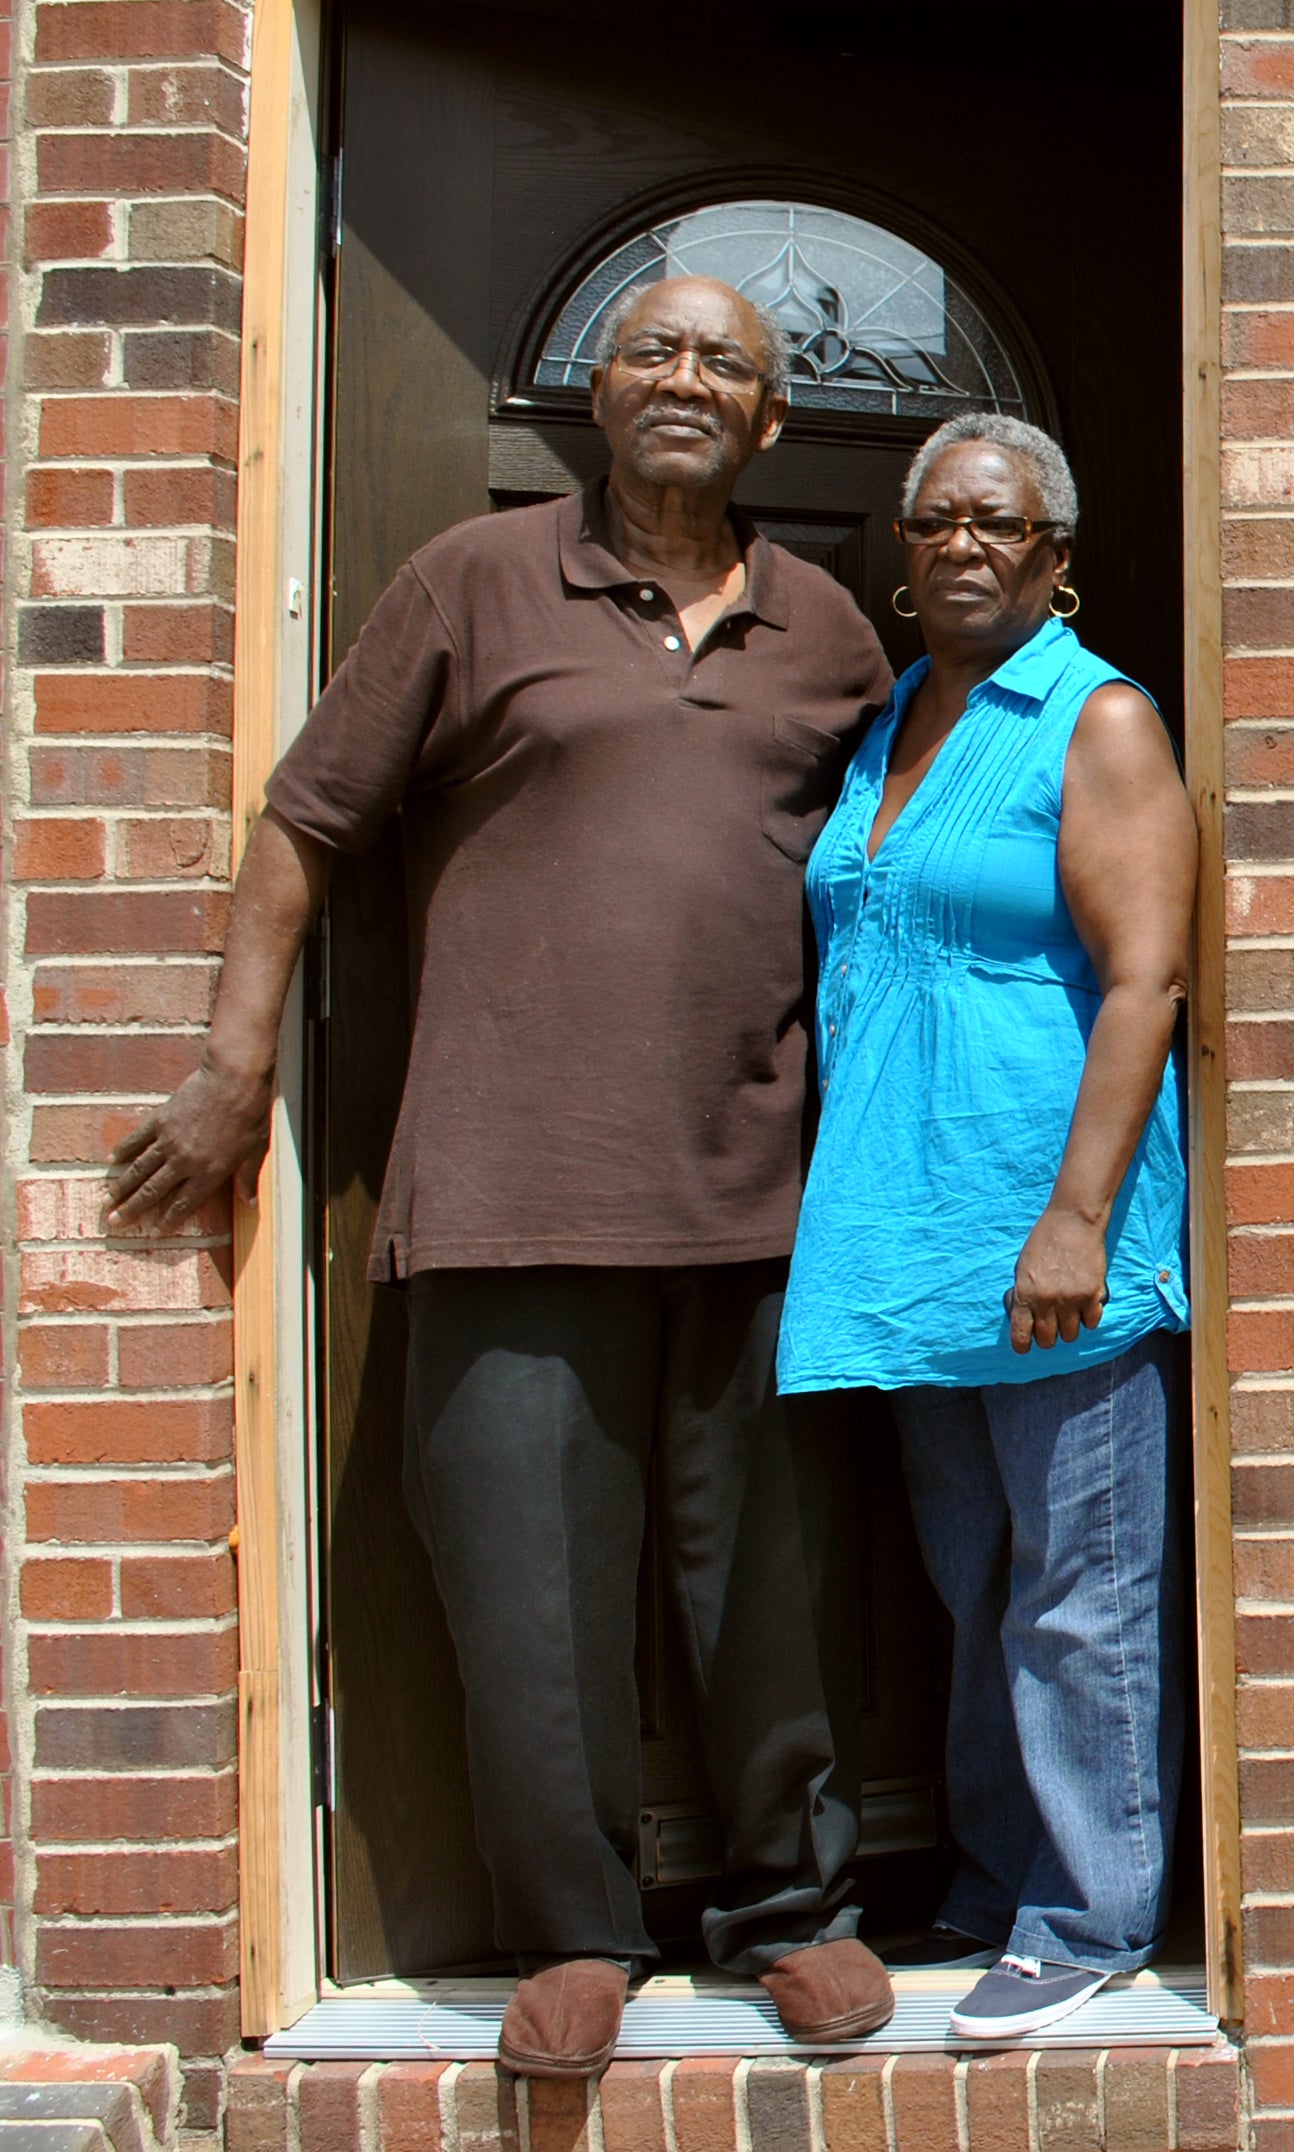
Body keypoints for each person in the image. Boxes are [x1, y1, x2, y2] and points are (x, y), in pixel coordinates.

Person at [106, 277, 898, 2076]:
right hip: (510, 1178)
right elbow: (309, 821)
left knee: (768, 1586)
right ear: (591, 393)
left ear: (772, 422)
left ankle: (793, 1911)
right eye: (655, 354)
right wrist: (236, 1065)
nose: (688, 381)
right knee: (524, 1588)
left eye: (728, 365)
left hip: (764, 1194)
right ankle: (572, 1929)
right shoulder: (473, 583)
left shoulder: (831, 629)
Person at [777, 413, 1197, 2043]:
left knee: (1080, 1587)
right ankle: (998, 1865)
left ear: (1057, 562)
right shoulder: (895, 728)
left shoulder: (1092, 721)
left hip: (1048, 1233)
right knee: (975, 1575)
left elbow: (1148, 979)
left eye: (1000, 526)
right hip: (910, 1235)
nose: (962, 543)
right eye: (936, 521)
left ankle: (1089, 1912)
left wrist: (1078, 1216)